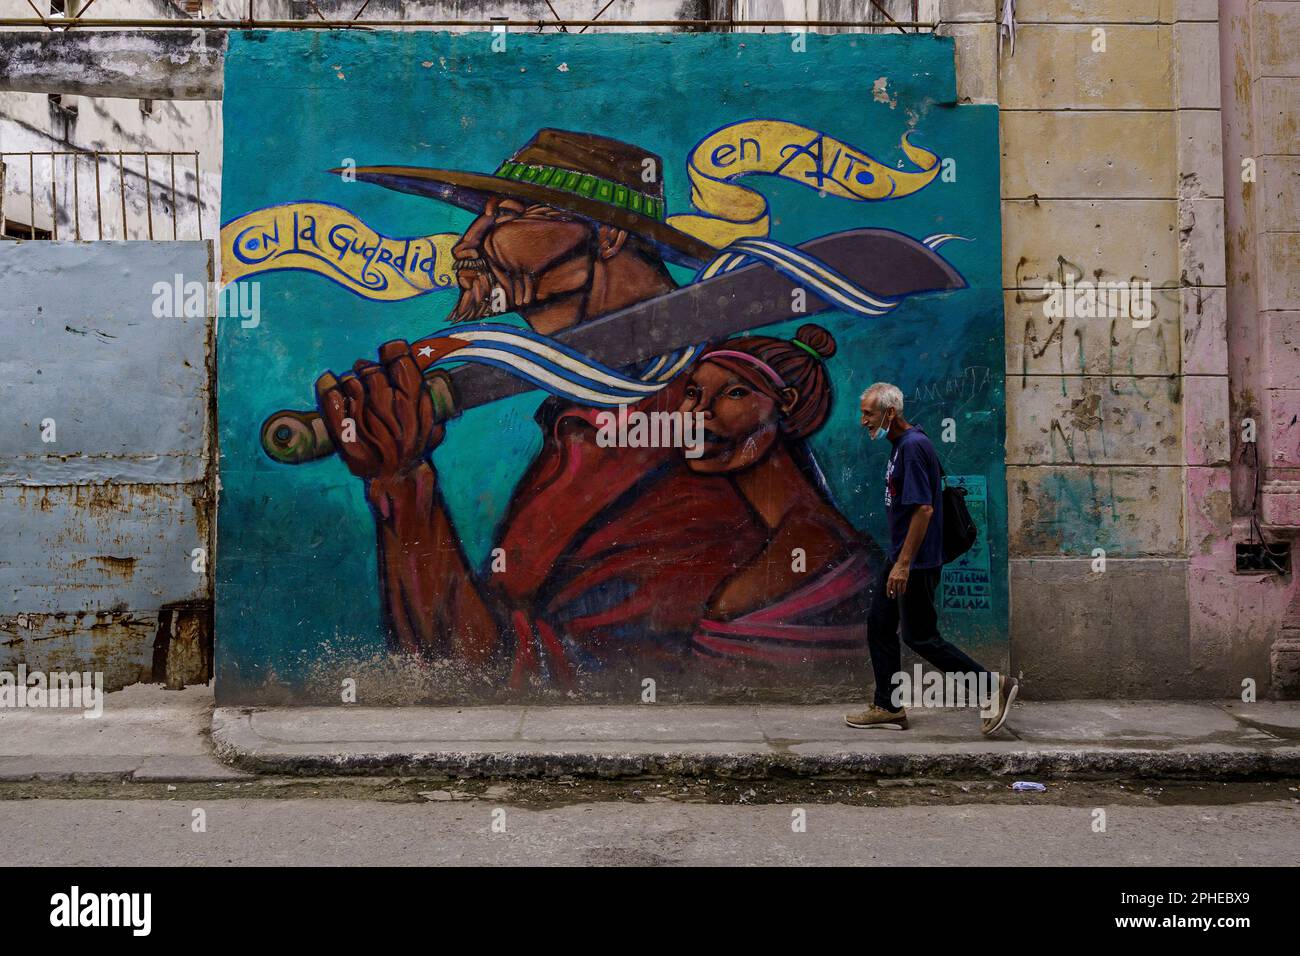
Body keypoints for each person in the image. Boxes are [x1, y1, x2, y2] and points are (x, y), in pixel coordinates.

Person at [678, 326, 881, 676]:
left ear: (786, 404)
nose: (699, 412)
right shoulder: (797, 529)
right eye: (693, 393)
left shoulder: (807, 540)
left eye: (735, 393)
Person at [844, 382, 1017, 735]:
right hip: (901, 557)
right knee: (879, 626)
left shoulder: (912, 446)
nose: (862, 420)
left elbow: (923, 508)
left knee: (920, 636)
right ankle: (888, 706)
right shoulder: (901, 445)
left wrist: (904, 564)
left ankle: (990, 687)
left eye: (868, 413)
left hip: (916, 562)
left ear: (889, 413)